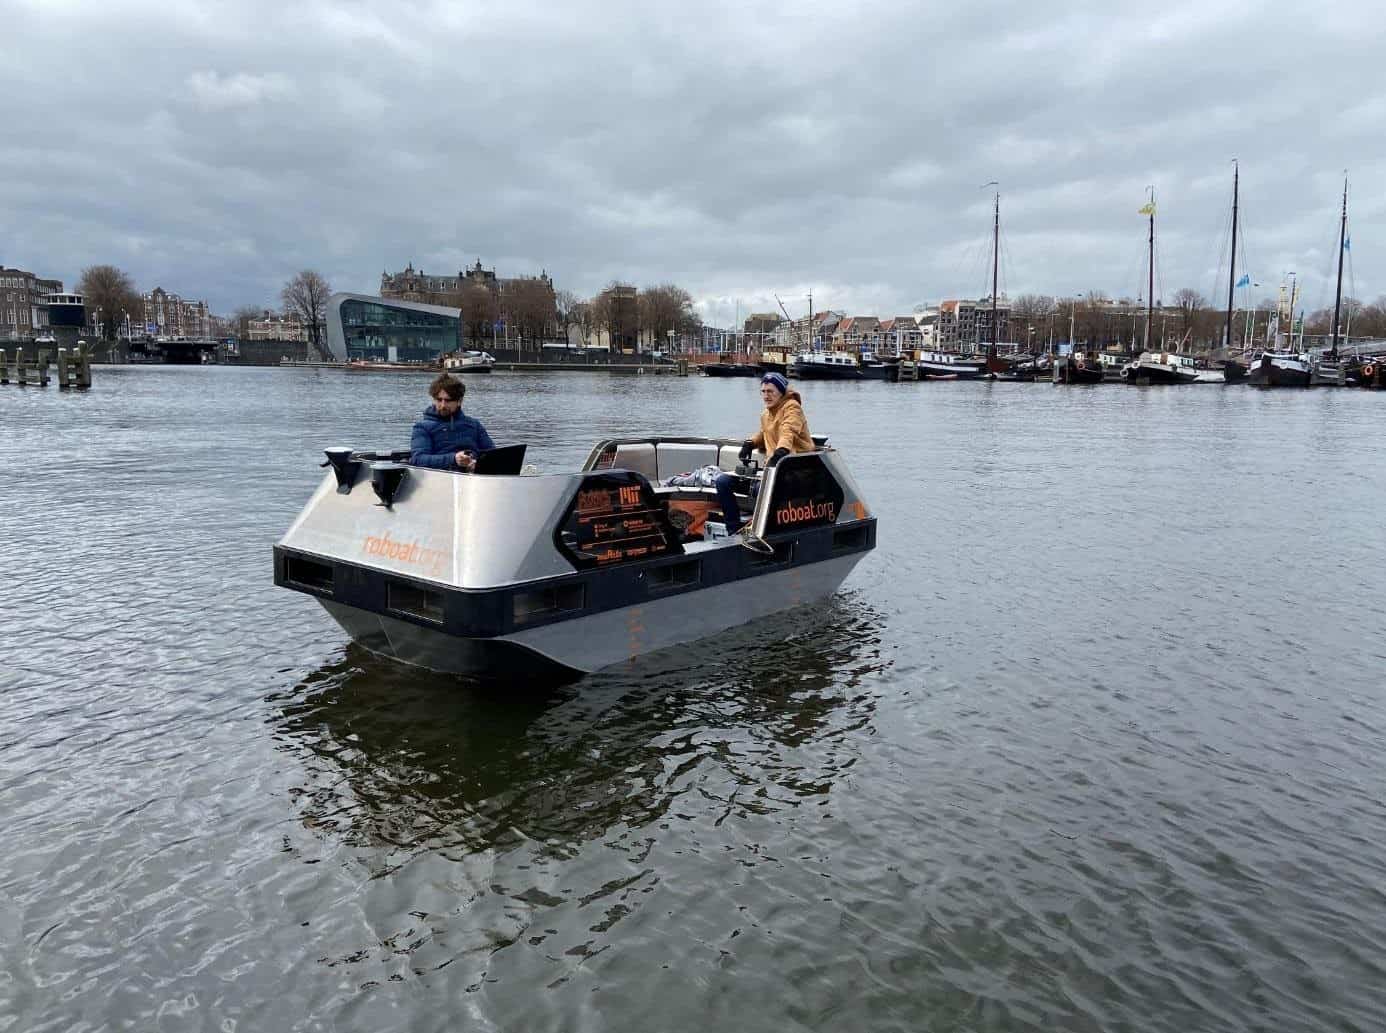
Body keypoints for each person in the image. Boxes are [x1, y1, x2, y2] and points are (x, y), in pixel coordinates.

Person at [715, 371, 815, 533]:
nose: (766, 396)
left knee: (758, 488)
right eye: (763, 391)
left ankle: (765, 531)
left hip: (794, 471)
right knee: (723, 482)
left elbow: (788, 431)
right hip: (771, 470)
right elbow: (764, 433)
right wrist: (750, 443)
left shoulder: (792, 408)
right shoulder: (766, 413)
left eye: (770, 392)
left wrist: (781, 452)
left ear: (781, 392)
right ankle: (733, 530)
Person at [409, 373, 495, 472]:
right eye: (439, 400)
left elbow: (492, 455)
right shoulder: (422, 427)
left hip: (473, 478)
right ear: (434, 399)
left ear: (459, 401)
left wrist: (477, 464)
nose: (443, 405)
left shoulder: (474, 425)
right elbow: (418, 459)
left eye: (448, 400)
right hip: (441, 478)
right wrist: (454, 459)